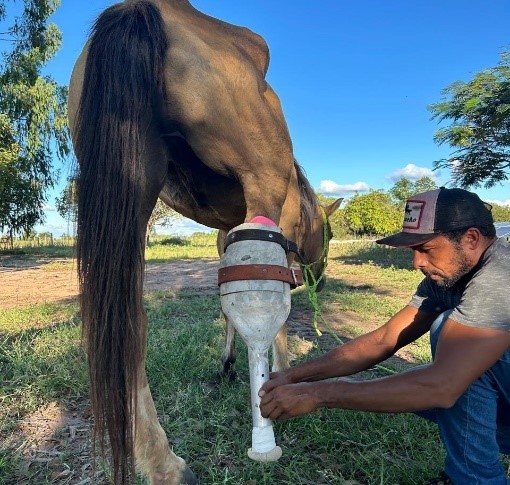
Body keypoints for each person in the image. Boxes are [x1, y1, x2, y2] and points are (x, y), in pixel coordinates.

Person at [259, 187, 510, 484]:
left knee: (449, 347)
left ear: (470, 239)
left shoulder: (500, 275)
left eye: (426, 249)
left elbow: (440, 387)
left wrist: (319, 394)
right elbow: (385, 339)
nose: (417, 263)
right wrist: (295, 376)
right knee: (439, 371)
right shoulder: (448, 274)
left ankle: (476, 479)